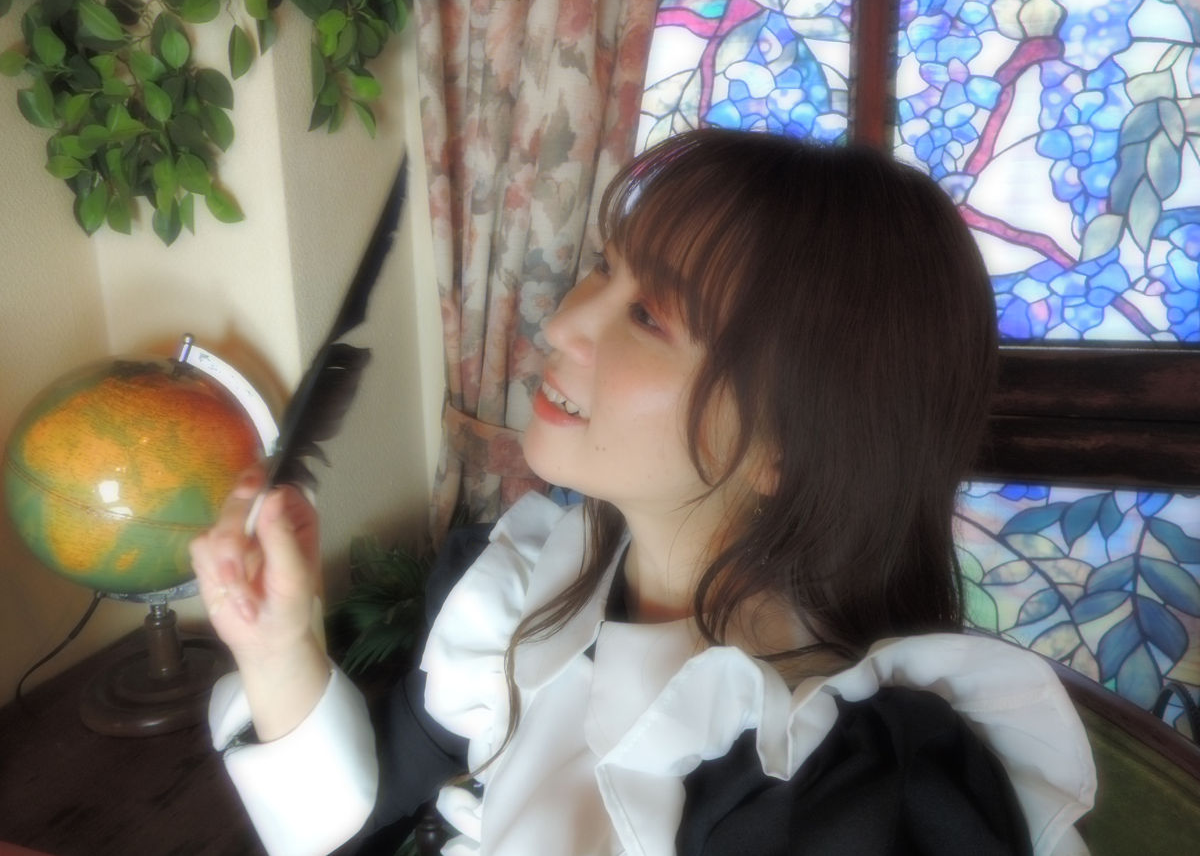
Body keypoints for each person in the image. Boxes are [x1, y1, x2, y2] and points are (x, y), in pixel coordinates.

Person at [191, 129, 1096, 856]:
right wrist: (276, 646)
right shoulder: (532, 592)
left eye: (649, 316)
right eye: (603, 267)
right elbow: (361, 815)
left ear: (788, 446)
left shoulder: (838, 790)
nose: (560, 325)